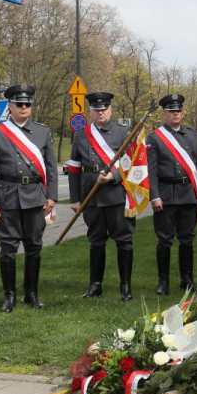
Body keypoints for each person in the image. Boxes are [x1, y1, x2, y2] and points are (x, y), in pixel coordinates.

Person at [0, 84, 57, 312]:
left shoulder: (43, 131)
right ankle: (10, 296)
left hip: (35, 197)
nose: (24, 107)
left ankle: (31, 294)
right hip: (7, 198)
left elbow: (51, 167)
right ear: (11, 107)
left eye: (27, 104)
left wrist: (52, 196)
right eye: (19, 104)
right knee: (8, 248)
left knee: (34, 246)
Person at [68, 91, 135, 301]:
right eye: (97, 109)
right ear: (91, 111)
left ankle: (125, 287)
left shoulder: (123, 132)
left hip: (116, 194)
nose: (101, 113)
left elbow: (131, 163)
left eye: (104, 108)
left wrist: (114, 176)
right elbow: (74, 168)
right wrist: (75, 199)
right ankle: (95, 286)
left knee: (123, 241)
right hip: (92, 195)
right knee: (96, 241)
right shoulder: (81, 135)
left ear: (110, 109)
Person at [147, 93, 197, 295]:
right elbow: (152, 170)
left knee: (187, 239)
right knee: (164, 240)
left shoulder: (193, 136)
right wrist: (154, 196)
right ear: (164, 114)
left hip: (188, 195)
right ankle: (163, 282)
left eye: (178, 111)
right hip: (165, 196)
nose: (176, 114)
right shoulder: (155, 138)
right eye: (171, 111)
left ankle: (187, 280)